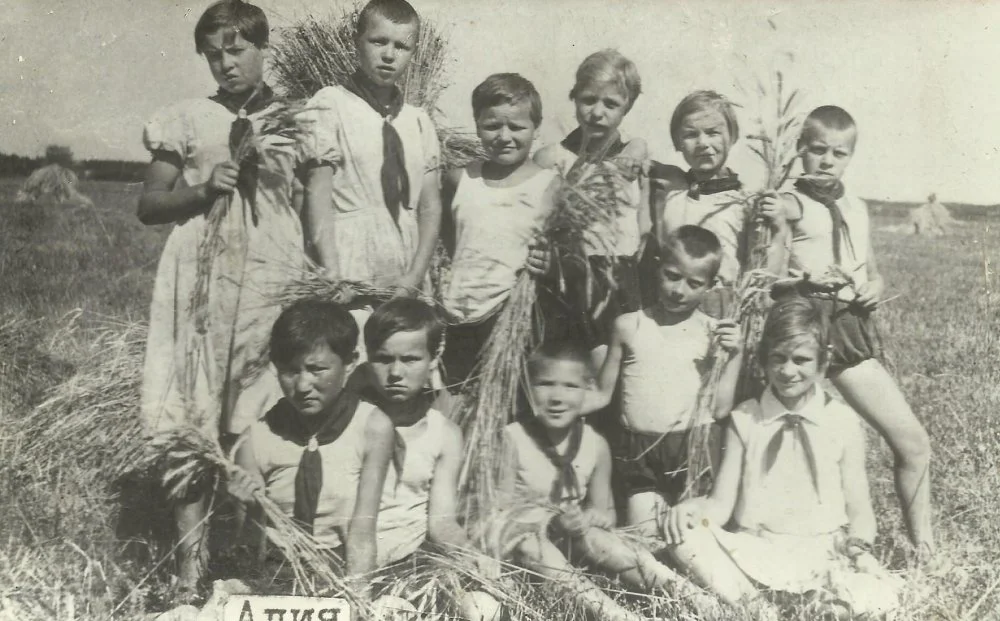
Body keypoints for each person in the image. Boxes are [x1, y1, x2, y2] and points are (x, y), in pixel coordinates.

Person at [136, 0, 304, 597]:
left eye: (238, 50)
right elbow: (150, 204)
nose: (226, 64)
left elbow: (312, 205)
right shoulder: (187, 117)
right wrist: (203, 189)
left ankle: (251, 563)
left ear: (264, 49)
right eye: (214, 54)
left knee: (260, 413)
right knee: (192, 412)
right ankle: (189, 568)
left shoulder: (298, 118)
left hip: (270, 277)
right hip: (201, 282)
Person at [661, 295, 901, 618]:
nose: (788, 371)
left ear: (823, 362)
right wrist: (692, 510)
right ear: (764, 359)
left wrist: (861, 553)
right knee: (684, 538)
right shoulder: (745, 418)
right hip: (756, 551)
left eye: (801, 360)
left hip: (822, 552)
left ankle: (816, 602)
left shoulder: (842, 421)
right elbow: (720, 506)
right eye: (778, 358)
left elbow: (860, 509)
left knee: (882, 597)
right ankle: (760, 610)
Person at [780, 105, 935, 559]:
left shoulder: (857, 206)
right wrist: (806, 283)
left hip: (848, 330)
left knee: (913, 441)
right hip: (797, 332)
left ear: (850, 156)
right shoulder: (788, 204)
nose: (827, 161)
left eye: (839, 153)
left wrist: (874, 287)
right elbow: (765, 279)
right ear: (799, 150)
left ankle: (924, 550)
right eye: (817, 150)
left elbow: (872, 270)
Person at [489, 341, 715, 621]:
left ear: (588, 391)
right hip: (527, 548)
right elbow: (500, 517)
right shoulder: (513, 438)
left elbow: (604, 511)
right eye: (545, 384)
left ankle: (682, 591)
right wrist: (548, 522)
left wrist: (590, 519)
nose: (557, 397)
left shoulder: (594, 444)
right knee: (530, 545)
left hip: (572, 541)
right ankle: (611, 613)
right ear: (528, 389)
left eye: (570, 386)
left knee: (600, 538)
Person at [228, 300, 395, 595]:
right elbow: (250, 552)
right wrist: (253, 508)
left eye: (317, 369)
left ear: (351, 363)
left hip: (342, 581)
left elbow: (362, 531)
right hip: (275, 584)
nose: (303, 385)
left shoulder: (372, 427)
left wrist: (357, 599)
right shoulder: (256, 439)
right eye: (290, 371)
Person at [585, 226, 743, 537]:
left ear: (711, 286)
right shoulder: (628, 326)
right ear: (656, 266)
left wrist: (736, 353)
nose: (679, 291)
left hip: (693, 448)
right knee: (645, 539)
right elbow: (602, 394)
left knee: (691, 539)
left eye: (694, 283)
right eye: (672, 275)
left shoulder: (714, 333)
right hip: (640, 454)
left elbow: (721, 409)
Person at [361, 298, 501, 619]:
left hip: (408, 564)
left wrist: (471, 555)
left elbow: (441, 522)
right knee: (389, 613)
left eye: (410, 359)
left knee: (482, 609)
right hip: (354, 563)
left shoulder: (444, 434)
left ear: (434, 358)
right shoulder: (352, 420)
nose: (395, 372)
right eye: (383, 359)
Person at [298, 0, 441, 297]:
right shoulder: (329, 105)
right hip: (349, 263)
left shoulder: (419, 121)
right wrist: (331, 273)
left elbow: (429, 207)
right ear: (356, 42)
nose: (389, 55)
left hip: (406, 265)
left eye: (401, 46)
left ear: (413, 52)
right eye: (378, 42)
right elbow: (319, 194)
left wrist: (414, 276)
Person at [440, 73, 558, 389]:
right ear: (477, 124)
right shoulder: (460, 179)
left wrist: (549, 262)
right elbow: (452, 239)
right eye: (492, 126)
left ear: (536, 128)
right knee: (457, 401)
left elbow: (558, 252)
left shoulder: (548, 185)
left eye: (517, 127)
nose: (504, 136)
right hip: (458, 314)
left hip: (511, 316)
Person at [534, 49, 649, 349]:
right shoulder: (551, 158)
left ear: (628, 107)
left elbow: (645, 227)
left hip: (619, 285)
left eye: (611, 104)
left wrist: (636, 148)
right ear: (574, 97)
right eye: (588, 100)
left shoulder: (633, 162)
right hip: (563, 282)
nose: (597, 112)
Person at [651, 90, 788, 305]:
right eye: (690, 135)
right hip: (673, 301)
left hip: (723, 305)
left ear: (732, 136)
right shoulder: (671, 192)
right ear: (677, 142)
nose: (703, 143)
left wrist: (778, 228)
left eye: (713, 132)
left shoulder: (747, 200)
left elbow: (761, 271)